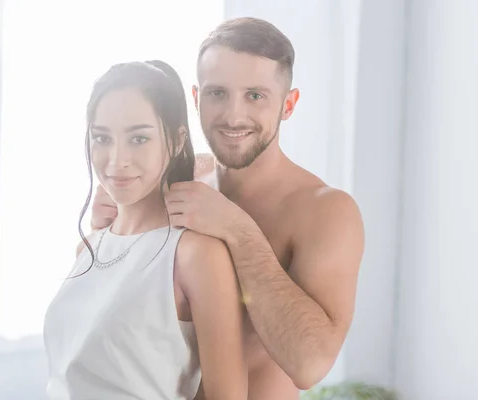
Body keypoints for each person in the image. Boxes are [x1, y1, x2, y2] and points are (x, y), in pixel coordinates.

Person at [91, 17, 365, 399]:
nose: (234, 116)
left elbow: (309, 364)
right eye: (218, 93)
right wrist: (110, 215)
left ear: (288, 104)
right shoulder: (179, 177)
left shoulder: (326, 211)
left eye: (255, 95)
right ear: (196, 98)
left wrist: (237, 230)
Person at [43, 60, 248, 400]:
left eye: (138, 138)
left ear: (177, 139)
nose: (116, 160)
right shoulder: (89, 247)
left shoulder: (195, 255)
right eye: (102, 138)